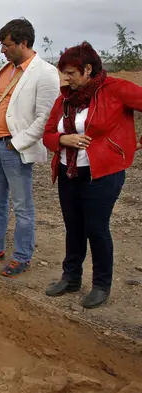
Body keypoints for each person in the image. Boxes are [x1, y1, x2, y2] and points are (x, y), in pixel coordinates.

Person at [42, 42, 142, 308]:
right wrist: (65, 139)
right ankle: (71, 277)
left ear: (87, 69)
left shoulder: (116, 89)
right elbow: (48, 134)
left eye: (71, 73)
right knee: (73, 227)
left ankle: (101, 285)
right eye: (64, 73)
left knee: (96, 228)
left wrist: (134, 143)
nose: (66, 78)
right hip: (68, 172)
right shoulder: (63, 99)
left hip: (103, 173)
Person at [0, 18, 60, 277]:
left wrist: (16, 144)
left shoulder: (45, 72)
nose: (2, 50)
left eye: (6, 45)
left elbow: (45, 118)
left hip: (15, 149)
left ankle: (22, 256)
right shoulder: (6, 70)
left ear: (23, 43)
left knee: (22, 206)